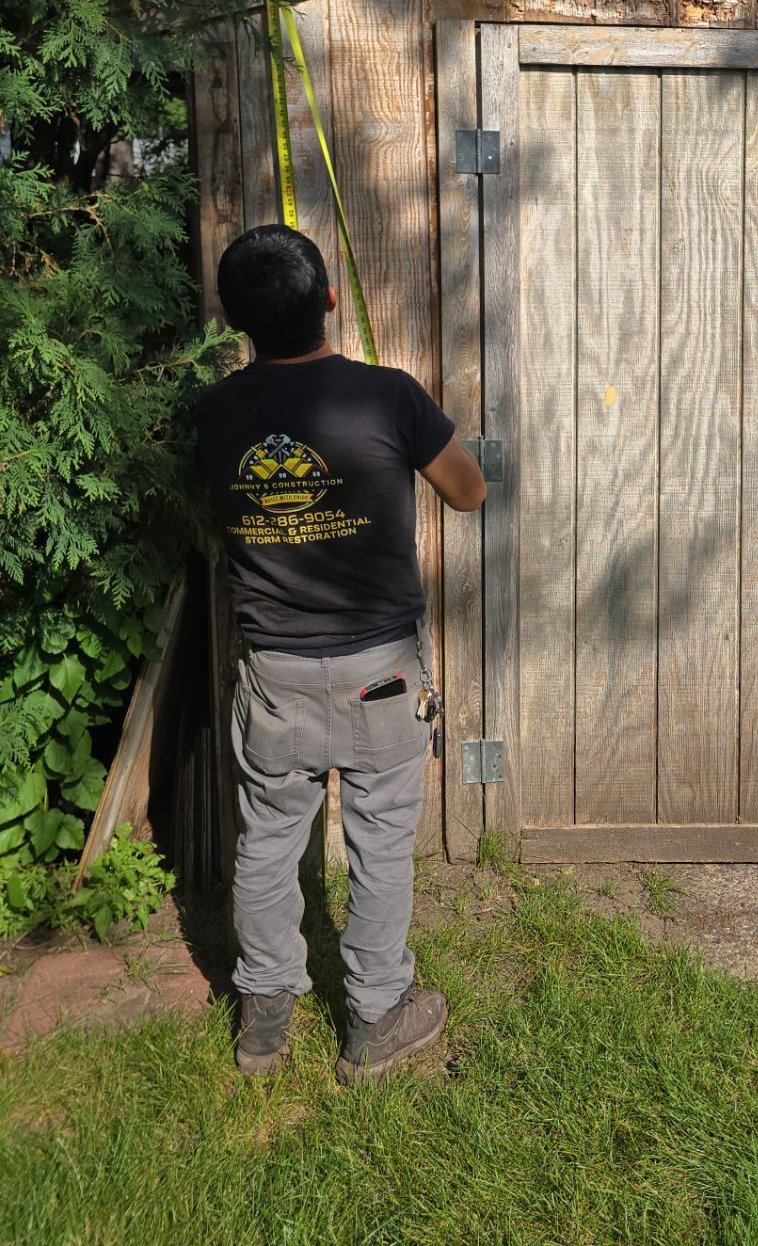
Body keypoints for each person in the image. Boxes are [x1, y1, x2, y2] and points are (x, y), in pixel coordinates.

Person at [196, 224, 486, 1083]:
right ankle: (375, 1016)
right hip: (379, 674)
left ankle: (264, 1024)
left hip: (273, 672)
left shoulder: (213, 415)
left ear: (235, 318)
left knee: (266, 841)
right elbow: (467, 493)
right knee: (381, 842)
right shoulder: (388, 398)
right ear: (329, 299)